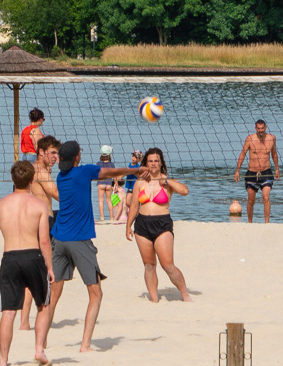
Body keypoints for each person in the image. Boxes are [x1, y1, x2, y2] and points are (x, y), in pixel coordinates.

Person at [36, 139, 106, 353]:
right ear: (77, 157)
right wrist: (137, 170)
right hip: (75, 238)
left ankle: (42, 343)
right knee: (95, 293)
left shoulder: (60, 175)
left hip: (58, 236)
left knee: (53, 294)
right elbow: (108, 172)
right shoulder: (81, 172)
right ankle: (85, 346)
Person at [0, 160, 54, 366]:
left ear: (12, 179)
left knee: (8, 311)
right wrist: (50, 267)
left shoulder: (0, 205)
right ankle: (39, 350)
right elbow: (44, 241)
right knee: (42, 305)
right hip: (33, 256)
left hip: (10, 257)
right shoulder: (40, 205)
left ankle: (3, 359)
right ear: (32, 180)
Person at [102, 147, 190, 303]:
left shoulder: (166, 182)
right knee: (149, 265)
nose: (154, 164)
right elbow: (134, 206)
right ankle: (154, 299)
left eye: (156, 161)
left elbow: (185, 191)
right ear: (146, 164)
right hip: (142, 225)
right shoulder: (140, 182)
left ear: (161, 163)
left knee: (167, 265)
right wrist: (128, 226)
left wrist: (167, 181)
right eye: (150, 161)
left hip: (162, 224)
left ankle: (185, 295)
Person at [233, 119, 281, 224]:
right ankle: (250, 223)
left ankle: (266, 223)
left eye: (262, 128)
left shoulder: (271, 138)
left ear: (265, 128)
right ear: (255, 128)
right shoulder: (250, 139)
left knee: (266, 196)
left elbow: (274, 154)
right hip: (252, 173)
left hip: (266, 172)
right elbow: (243, 154)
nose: (260, 130)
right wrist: (237, 171)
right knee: (251, 200)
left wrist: (277, 168)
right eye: (258, 128)